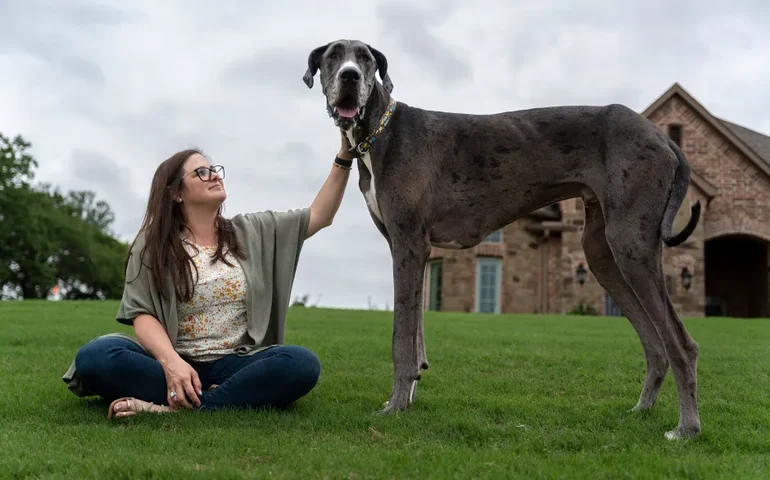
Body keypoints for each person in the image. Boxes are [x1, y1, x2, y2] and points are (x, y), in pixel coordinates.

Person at [64, 132, 355, 419]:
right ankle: (217, 397)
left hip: (235, 363)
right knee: (95, 357)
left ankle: (174, 408)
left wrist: (344, 156)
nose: (214, 176)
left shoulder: (252, 231)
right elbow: (142, 314)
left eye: (214, 170)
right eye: (201, 173)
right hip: (171, 363)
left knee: (300, 364)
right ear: (176, 193)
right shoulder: (152, 245)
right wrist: (172, 363)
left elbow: (319, 215)